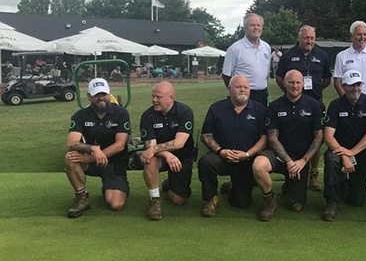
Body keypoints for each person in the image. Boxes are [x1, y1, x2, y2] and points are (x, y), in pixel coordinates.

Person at [252, 70, 323, 221]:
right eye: (291, 82)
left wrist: (303, 161)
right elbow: (272, 138)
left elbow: (318, 137)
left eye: (298, 82)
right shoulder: (274, 106)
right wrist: (289, 161)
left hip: (301, 160)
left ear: (303, 84)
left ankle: (288, 187)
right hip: (279, 156)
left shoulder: (314, 105)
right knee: (259, 165)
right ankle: (269, 199)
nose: (295, 86)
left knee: (296, 205)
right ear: (284, 84)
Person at [198, 75, 269, 217]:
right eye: (238, 87)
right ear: (230, 88)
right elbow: (206, 135)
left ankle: (233, 185)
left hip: (246, 160)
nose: (242, 90)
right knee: (206, 162)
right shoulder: (216, 108)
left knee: (241, 203)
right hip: (222, 157)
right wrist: (220, 151)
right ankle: (211, 199)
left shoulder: (259, 109)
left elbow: (264, 138)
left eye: (246, 87)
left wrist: (247, 154)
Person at [275, 25, 332, 191]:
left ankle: (313, 175)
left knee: (316, 139)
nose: (309, 41)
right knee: (292, 138)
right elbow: (279, 77)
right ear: (298, 38)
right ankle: (290, 171)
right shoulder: (288, 56)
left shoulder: (322, 55)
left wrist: (317, 90)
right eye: (306, 38)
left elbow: (327, 79)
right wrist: (289, 92)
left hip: (314, 105)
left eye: (312, 38)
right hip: (292, 103)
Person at [63, 78, 130, 218]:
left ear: (109, 94)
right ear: (89, 96)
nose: (101, 98)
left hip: (114, 162)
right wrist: (93, 149)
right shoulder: (80, 115)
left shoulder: (121, 113)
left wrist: (90, 157)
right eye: (96, 94)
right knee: (70, 157)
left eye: (104, 94)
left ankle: (110, 187)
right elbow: (71, 143)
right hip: (91, 160)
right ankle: (82, 197)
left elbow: (120, 145)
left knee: (116, 205)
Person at [333, 20, 366, 190]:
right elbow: (338, 82)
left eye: (365, 35)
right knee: (346, 137)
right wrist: (349, 101)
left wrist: (365, 101)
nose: (362, 38)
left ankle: (364, 175)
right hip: (347, 105)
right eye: (359, 34)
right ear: (352, 36)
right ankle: (345, 171)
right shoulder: (342, 56)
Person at [321, 70, 366, 221]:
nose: (356, 89)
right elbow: (328, 135)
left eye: (358, 85)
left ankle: (343, 182)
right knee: (330, 158)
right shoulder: (335, 105)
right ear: (343, 86)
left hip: (361, 153)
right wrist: (345, 155)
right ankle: (331, 201)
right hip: (339, 151)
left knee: (357, 201)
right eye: (351, 85)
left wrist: (351, 153)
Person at [139, 81, 196, 220]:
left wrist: (157, 150)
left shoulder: (185, 112)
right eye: (153, 96)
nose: (154, 100)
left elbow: (179, 143)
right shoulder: (147, 116)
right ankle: (155, 201)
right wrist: (167, 155)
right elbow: (150, 147)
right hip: (160, 157)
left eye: (158, 97)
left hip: (182, 157)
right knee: (149, 159)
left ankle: (170, 184)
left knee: (178, 200)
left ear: (171, 97)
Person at [222, 13, 271, 106]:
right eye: (252, 25)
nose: (256, 28)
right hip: (243, 94)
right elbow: (226, 75)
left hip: (262, 95)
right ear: (245, 28)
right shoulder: (234, 49)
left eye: (258, 25)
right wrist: (234, 93)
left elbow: (265, 75)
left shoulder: (266, 47)